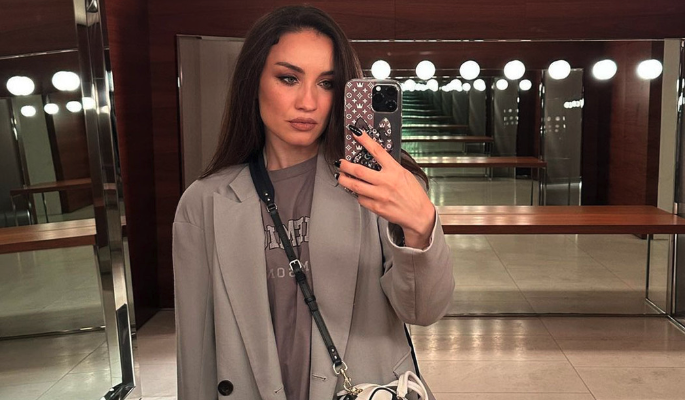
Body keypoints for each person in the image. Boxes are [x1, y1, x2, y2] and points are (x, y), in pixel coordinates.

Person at [172, 5, 454, 400]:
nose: (308, 101)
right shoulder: (204, 203)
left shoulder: (373, 187)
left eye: (327, 83)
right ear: (253, 81)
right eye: (288, 78)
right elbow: (196, 347)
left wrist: (421, 227)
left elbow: (422, 311)